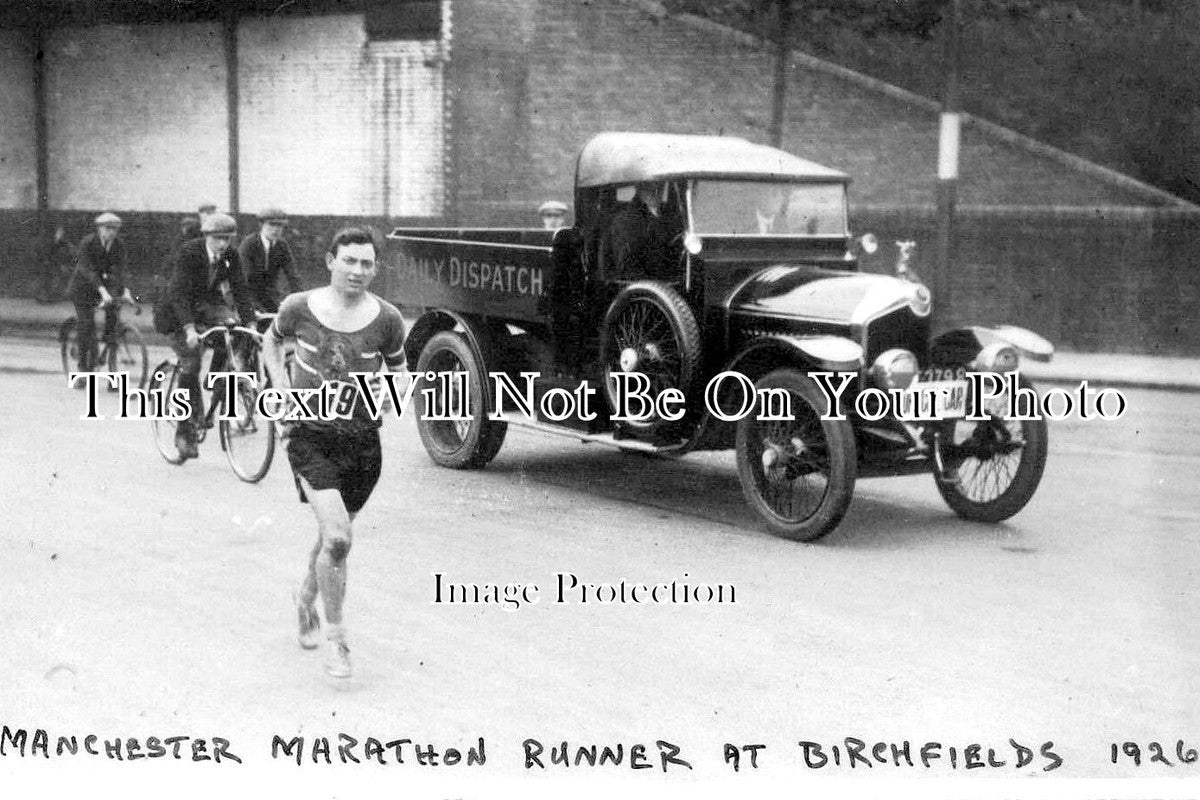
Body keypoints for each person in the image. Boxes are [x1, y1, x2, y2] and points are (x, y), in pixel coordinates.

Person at [261, 227, 406, 680]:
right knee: (340, 538)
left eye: (367, 264)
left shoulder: (387, 319)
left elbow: (400, 370)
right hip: (309, 435)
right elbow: (271, 339)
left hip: (362, 443)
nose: (358, 271)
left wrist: (390, 394)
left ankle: (305, 597)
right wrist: (281, 389)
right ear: (330, 261)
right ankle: (337, 639)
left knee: (332, 541)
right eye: (349, 261)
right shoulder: (300, 307)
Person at [160, 212, 255, 459]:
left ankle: (214, 380)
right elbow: (178, 294)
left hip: (207, 307)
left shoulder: (231, 255)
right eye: (217, 239)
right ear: (206, 236)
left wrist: (252, 324)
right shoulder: (189, 252)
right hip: (177, 312)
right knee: (190, 363)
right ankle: (184, 431)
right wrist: (190, 329)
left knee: (233, 330)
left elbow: (241, 290)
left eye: (227, 239)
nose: (223, 244)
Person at [68, 212, 132, 372]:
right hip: (82, 288)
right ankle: (82, 370)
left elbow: (122, 269)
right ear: (99, 229)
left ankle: (111, 369)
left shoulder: (118, 244)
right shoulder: (87, 243)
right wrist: (103, 291)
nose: (111, 232)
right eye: (108, 228)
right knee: (86, 325)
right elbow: (87, 269)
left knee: (113, 320)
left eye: (115, 229)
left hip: (104, 288)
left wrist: (125, 290)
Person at [607, 180, 677, 278]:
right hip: (647, 288)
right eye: (650, 184)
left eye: (659, 183)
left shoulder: (670, 216)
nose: (656, 189)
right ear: (639, 186)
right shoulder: (627, 220)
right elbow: (628, 268)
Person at [238, 208, 302, 314]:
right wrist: (254, 307)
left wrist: (301, 300)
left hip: (269, 295)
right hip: (246, 295)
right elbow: (244, 279)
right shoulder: (249, 244)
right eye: (271, 225)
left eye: (279, 226)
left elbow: (293, 275)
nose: (276, 230)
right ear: (261, 225)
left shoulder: (282, 245)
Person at [37, 225, 76, 304]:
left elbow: (73, 254)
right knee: (49, 276)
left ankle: (53, 296)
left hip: (60, 266)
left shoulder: (66, 244)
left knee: (59, 277)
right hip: (50, 266)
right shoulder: (49, 242)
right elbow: (46, 256)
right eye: (59, 232)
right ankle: (45, 296)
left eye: (62, 232)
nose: (61, 234)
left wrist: (67, 265)